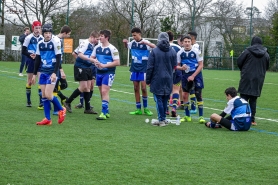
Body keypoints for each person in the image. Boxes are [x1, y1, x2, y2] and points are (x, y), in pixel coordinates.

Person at [31, 23, 66, 125]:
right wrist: (34, 75)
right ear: (43, 33)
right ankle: (47, 119)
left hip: (52, 72)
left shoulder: (55, 42)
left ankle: (61, 109)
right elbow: (37, 60)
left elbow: (58, 58)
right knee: (44, 96)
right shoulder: (40, 43)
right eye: (46, 33)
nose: (47, 35)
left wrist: (55, 73)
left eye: (49, 33)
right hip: (43, 71)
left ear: (51, 33)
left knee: (48, 94)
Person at [63, 31, 99, 114]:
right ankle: (67, 102)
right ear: (92, 37)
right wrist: (89, 60)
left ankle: (87, 108)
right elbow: (79, 54)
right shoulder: (85, 43)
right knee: (83, 86)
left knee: (88, 87)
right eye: (96, 39)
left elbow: (75, 52)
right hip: (81, 67)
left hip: (88, 67)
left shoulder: (92, 44)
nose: (97, 41)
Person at [123, 27, 156, 116]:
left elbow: (155, 47)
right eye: (132, 35)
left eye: (135, 35)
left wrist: (146, 43)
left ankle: (146, 108)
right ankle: (138, 109)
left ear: (139, 34)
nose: (133, 37)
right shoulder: (132, 43)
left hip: (144, 68)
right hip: (134, 68)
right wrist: (125, 43)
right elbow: (127, 47)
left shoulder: (145, 43)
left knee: (144, 88)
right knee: (136, 88)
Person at [146, 32, 177, 126]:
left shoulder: (154, 51)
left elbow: (150, 67)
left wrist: (148, 80)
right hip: (168, 78)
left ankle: (161, 119)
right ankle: (163, 118)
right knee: (165, 99)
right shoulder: (173, 51)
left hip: (157, 78)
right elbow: (175, 66)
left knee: (158, 98)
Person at [237, 36, 270, 126]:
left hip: (247, 77)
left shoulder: (247, 51)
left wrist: (243, 70)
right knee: (253, 99)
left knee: (243, 98)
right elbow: (267, 66)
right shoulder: (266, 54)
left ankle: (242, 117)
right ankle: (252, 119)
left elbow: (239, 61)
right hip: (259, 78)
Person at [90, 29, 120, 120]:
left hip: (109, 72)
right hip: (99, 72)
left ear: (107, 37)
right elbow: (91, 57)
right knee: (101, 92)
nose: (99, 38)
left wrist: (104, 65)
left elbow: (117, 62)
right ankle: (106, 111)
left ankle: (103, 112)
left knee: (104, 91)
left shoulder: (112, 48)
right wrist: (95, 61)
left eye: (102, 36)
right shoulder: (97, 47)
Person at [176, 35, 205, 124]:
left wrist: (193, 75)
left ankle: (201, 117)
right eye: (185, 42)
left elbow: (201, 65)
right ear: (182, 43)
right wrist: (181, 68)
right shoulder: (179, 53)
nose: (187, 43)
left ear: (191, 42)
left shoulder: (197, 52)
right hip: (185, 75)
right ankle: (187, 116)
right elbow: (177, 66)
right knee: (185, 95)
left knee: (198, 94)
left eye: (189, 41)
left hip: (196, 75)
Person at [22, 21, 44, 108]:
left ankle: (41, 102)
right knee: (30, 81)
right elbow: (23, 50)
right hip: (30, 60)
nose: (38, 30)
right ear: (33, 28)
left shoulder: (42, 38)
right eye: (36, 28)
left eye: (39, 28)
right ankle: (28, 101)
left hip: (39, 60)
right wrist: (30, 55)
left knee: (40, 80)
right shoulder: (28, 38)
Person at [52, 25, 72, 115]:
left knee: (64, 85)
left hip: (57, 65)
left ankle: (62, 97)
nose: (69, 36)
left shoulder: (59, 40)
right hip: (55, 66)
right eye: (68, 34)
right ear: (64, 33)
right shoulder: (56, 40)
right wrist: (61, 69)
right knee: (56, 87)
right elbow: (57, 57)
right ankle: (56, 109)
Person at [166, 31, 182, 117]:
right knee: (176, 90)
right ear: (173, 39)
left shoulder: (163, 47)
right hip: (177, 71)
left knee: (166, 90)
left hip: (166, 72)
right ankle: (174, 108)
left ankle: (166, 110)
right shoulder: (178, 47)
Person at [188, 31, 201, 114]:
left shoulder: (195, 46)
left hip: (194, 70)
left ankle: (194, 107)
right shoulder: (195, 46)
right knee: (192, 89)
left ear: (192, 38)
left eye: (188, 38)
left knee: (194, 90)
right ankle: (193, 107)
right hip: (193, 70)